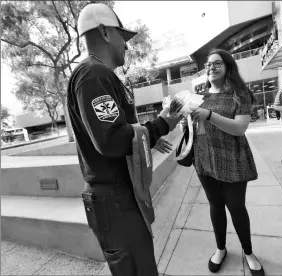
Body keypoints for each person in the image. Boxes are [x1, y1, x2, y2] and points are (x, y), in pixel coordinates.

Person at [66, 3, 180, 276]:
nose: (127, 47)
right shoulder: (94, 74)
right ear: (105, 32)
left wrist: (149, 137)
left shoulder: (99, 74)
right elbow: (111, 141)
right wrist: (162, 125)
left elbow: (119, 130)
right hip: (114, 199)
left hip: (117, 196)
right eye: (122, 37)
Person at [182, 49, 265, 276]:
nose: (211, 68)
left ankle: (248, 252)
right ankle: (220, 249)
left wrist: (208, 115)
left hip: (233, 159)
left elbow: (239, 128)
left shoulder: (240, 94)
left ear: (228, 67)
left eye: (217, 63)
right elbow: (194, 128)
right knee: (215, 206)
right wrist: (186, 121)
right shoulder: (200, 97)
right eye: (208, 64)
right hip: (205, 160)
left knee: (236, 207)